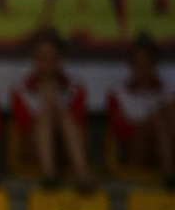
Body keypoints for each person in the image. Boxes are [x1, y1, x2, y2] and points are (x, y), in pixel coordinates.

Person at [11, 30, 91, 187]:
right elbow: (23, 127)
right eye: (42, 58)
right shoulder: (20, 89)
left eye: (52, 57)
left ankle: (82, 176)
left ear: (60, 58)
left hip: (65, 149)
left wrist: (56, 106)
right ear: (35, 59)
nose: (47, 63)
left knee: (65, 117)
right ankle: (49, 176)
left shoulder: (76, 88)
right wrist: (47, 108)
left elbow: (79, 124)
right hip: (33, 150)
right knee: (45, 117)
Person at [107, 37, 174, 186]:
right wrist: (147, 125)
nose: (142, 67)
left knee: (166, 113)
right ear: (131, 64)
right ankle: (170, 174)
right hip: (134, 152)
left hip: (166, 147)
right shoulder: (118, 93)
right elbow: (119, 132)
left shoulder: (169, 93)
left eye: (147, 62)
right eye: (138, 62)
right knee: (159, 119)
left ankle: (169, 169)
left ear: (154, 64)